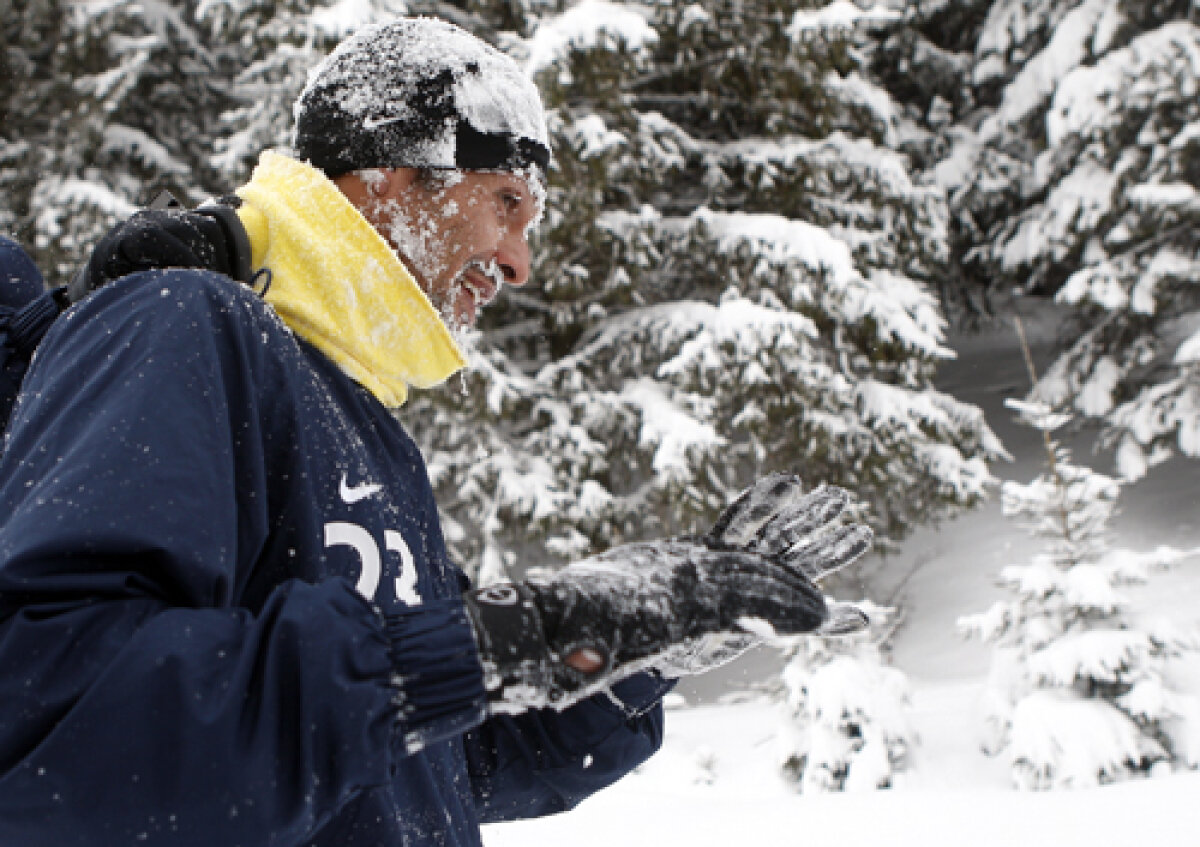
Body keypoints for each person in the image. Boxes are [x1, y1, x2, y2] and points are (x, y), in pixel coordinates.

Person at [0, 16, 872, 847]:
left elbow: (445, 755)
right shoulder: (185, 324)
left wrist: (646, 645)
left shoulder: (365, 430)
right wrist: (510, 637)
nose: (520, 262)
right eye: (506, 202)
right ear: (387, 175)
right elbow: (61, 723)